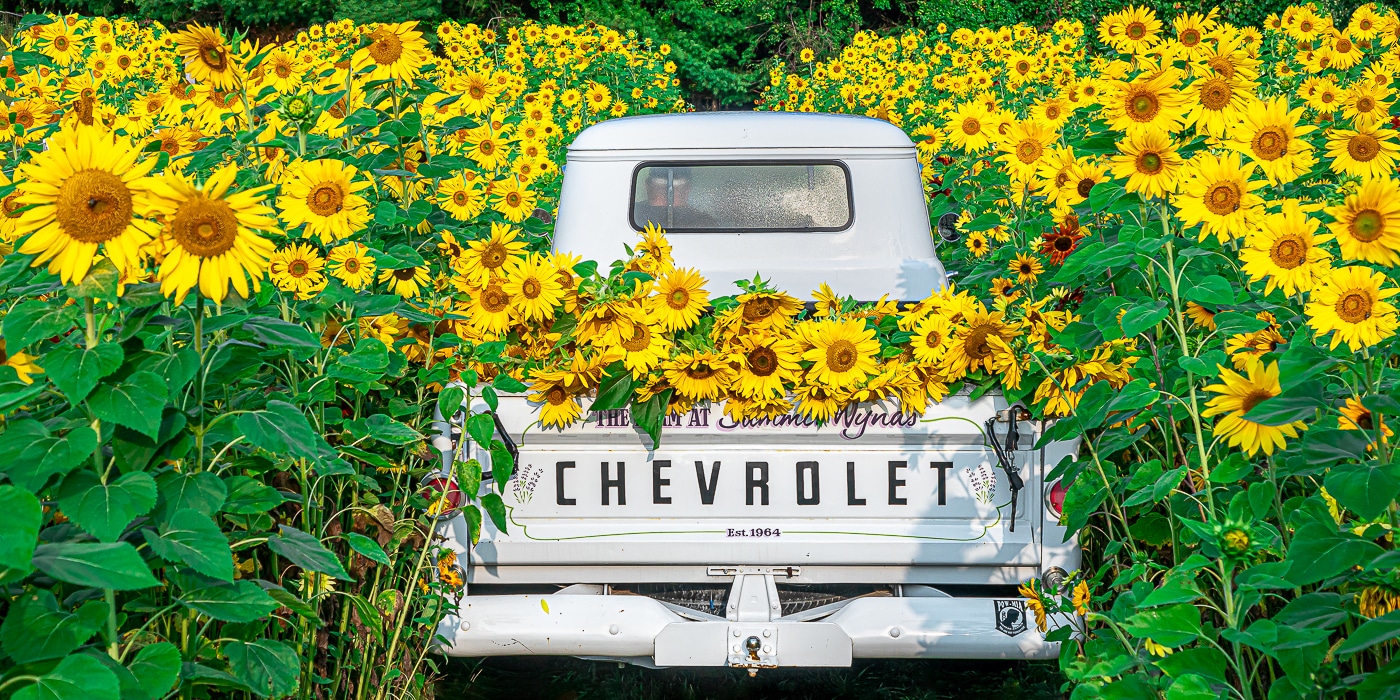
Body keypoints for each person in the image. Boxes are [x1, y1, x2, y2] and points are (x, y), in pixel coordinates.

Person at [633, 168, 718, 229]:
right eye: (660, 190)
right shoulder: (634, 213)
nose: (667, 199)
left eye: (675, 191)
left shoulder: (704, 223)